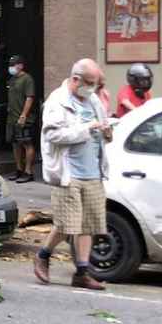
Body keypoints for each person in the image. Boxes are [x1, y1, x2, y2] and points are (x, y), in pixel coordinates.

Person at [35, 58, 113, 290]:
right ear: (76, 79)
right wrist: (86, 129)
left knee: (87, 224)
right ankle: (42, 255)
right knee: (69, 224)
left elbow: (102, 128)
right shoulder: (57, 102)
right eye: (90, 83)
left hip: (93, 171)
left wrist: (107, 130)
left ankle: (82, 272)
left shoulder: (94, 100)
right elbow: (53, 135)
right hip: (68, 172)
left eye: (96, 83)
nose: (92, 88)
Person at [6, 55, 37, 183]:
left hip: (24, 117)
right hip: (12, 117)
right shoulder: (12, 79)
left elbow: (29, 97)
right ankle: (19, 169)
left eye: (14, 64)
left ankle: (28, 171)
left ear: (21, 65)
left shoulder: (27, 79)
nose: (12, 67)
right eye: (11, 65)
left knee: (26, 143)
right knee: (15, 143)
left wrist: (24, 115)